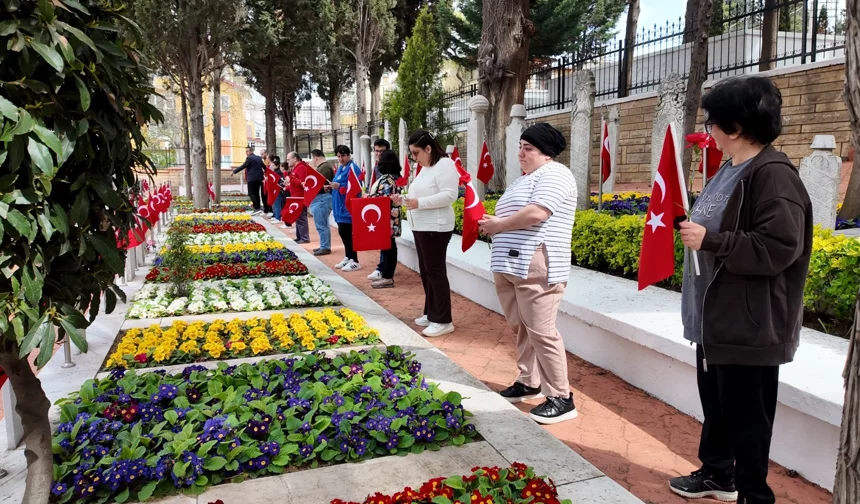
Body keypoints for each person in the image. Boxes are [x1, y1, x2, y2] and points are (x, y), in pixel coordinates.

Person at [668, 76, 813, 504]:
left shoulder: (773, 175)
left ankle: (754, 494)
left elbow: (780, 246)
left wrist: (712, 241)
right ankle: (718, 473)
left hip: (748, 325)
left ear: (733, 128)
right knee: (718, 406)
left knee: (747, 418)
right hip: (716, 317)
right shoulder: (730, 169)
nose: (707, 130)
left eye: (713, 122)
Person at [477, 123, 578, 425]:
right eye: (520, 146)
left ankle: (561, 396)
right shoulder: (525, 179)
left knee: (542, 331)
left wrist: (498, 225)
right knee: (521, 327)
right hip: (510, 265)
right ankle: (528, 381)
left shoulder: (556, 174)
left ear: (546, 153)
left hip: (538, 263)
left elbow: (538, 213)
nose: (521, 153)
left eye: (529, 148)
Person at [391, 130, 458, 338]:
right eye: (412, 153)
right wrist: (402, 199)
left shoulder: (445, 165)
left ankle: (443, 320)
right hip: (421, 227)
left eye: (416, 152)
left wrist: (418, 203)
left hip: (435, 228)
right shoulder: (426, 168)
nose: (414, 157)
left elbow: (449, 195)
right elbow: (419, 195)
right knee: (427, 270)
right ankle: (432, 313)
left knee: (435, 272)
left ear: (428, 148)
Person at [368, 149, 402, 289]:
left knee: (389, 248)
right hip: (389, 219)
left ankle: (388, 276)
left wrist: (370, 199)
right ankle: (386, 275)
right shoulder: (393, 177)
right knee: (388, 247)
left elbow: (384, 200)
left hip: (386, 219)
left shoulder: (387, 179)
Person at [330, 145, 362, 271]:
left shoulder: (353, 168)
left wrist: (340, 186)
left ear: (349, 155)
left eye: (343, 156)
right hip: (339, 206)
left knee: (347, 234)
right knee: (343, 233)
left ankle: (355, 260)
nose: (341, 158)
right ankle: (348, 257)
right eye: (338, 156)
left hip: (347, 208)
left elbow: (356, 187)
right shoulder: (340, 168)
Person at [368, 138, 392, 282]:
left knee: (388, 242)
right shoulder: (376, 166)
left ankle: (385, 271)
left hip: (387, 209)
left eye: (382, 151)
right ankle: (382, 268)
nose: (379, 154)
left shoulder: (390, 165)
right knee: (382, 241)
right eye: (377, 151)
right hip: (378, 208)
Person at [309, 149, 335, 256]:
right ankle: (324, 245)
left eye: (313, 159)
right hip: (321, 199)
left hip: (322, 199)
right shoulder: (324, 167)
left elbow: (319, 184)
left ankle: (325, 247)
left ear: (315, 157)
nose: (312, 161)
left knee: (322, 224)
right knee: (322, 224)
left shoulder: (324, 168)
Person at [285, 152, 311, 243]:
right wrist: (287, 186)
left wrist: (290, 179)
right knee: (298, 216)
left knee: (301, 217)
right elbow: (295, 183)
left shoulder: (301, 168)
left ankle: (305, 238)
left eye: (288, 159)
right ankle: (299, 236)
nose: (287, 162)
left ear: (295, 159)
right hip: (295, 196)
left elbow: (302, 183)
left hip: (300, 196)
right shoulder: (296, 168)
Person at [232, 146, 264, 214]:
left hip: (251, 179)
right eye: (246, 151)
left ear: (251, 151)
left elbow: (243, 166)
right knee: (256, 193)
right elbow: (263, 166)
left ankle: (256, 207)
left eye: (247, 151)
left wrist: (234, 171)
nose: (246, 153)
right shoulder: (259, 158)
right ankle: (258, 207)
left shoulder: (249, 158)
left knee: (251, 193)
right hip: (259, 178)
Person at [269, 155, 286, 225]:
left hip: (278, 190)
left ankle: (278, 217)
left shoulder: (277, 172)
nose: (271, 167)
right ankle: (276, 216)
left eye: (273, 165)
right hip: (277, 190)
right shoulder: (276, 172)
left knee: (277, 204)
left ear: (277, 166)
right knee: (276, 204)